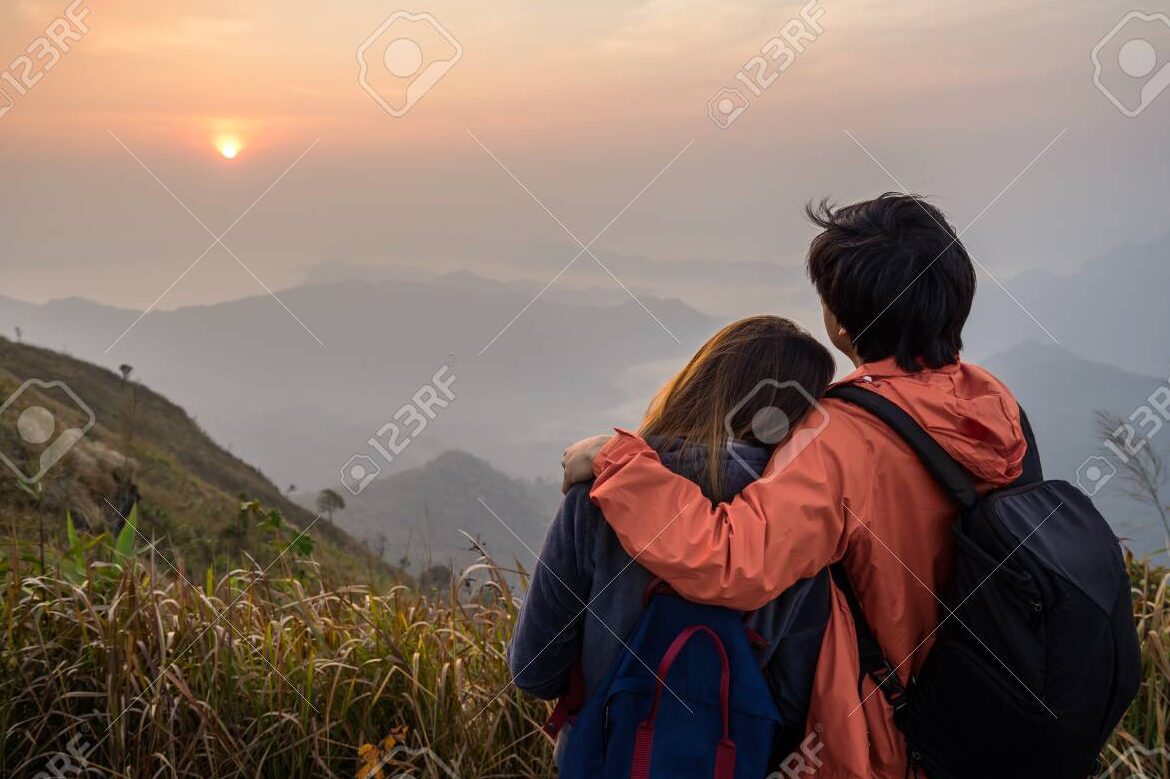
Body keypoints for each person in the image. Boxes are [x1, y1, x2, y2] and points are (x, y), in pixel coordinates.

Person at [561, 193, 1030, 778]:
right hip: (980, 718)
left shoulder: (843, 437)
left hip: (877, 736)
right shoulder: (994, 407)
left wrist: (621, 462)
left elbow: (730, 560)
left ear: (839, 319)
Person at [509, 315, 836, 769]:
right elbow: (794, 702)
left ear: (700, 380)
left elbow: (533, 670)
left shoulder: (602, 493)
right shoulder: (804, 524)